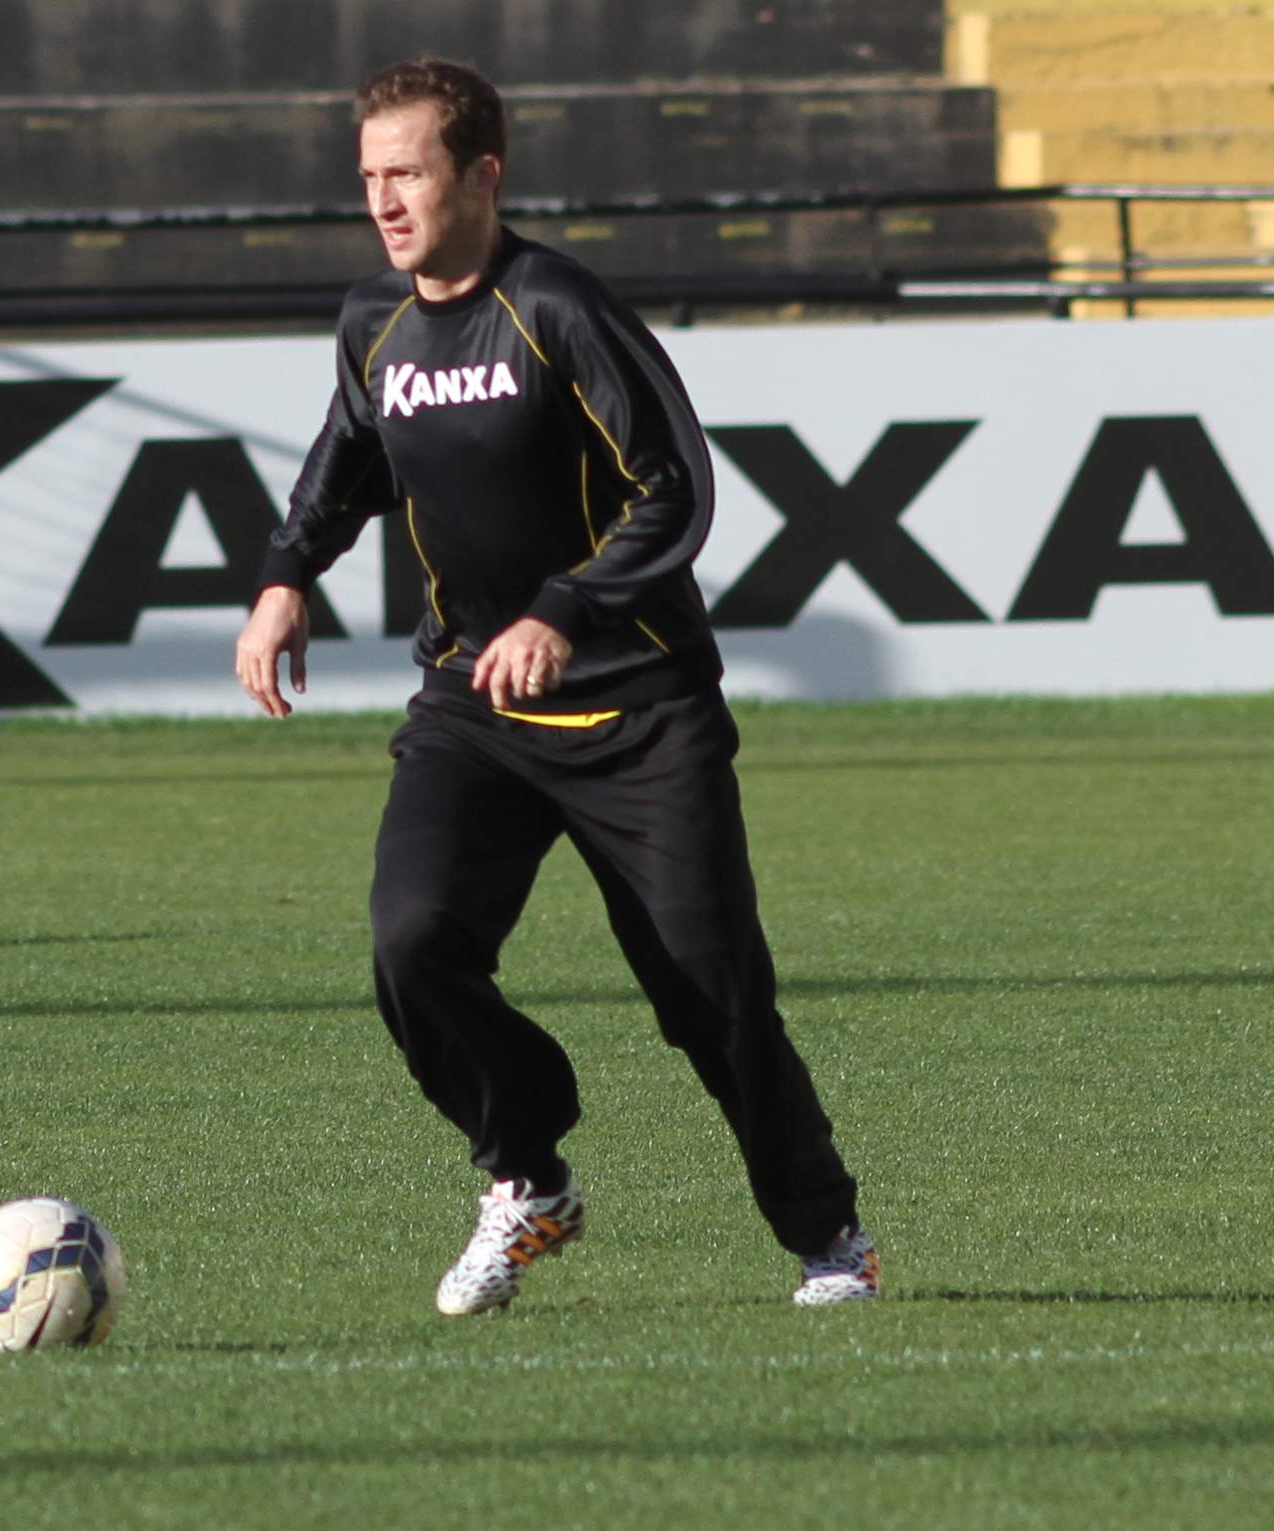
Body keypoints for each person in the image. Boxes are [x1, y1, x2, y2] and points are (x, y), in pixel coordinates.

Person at [234, 56, 879, 1312]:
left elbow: (673, 487)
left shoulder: (557, 305)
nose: (383, 200)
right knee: (412, 941)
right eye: (367, 176)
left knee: (710, 1000)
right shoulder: (372, 321)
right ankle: (525, 1172)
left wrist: (561, 609)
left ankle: (826, 1235)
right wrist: (283, 575)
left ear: (482, 173)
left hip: (639, 711)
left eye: (408, 172)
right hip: (474, 705)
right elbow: (348, 455)